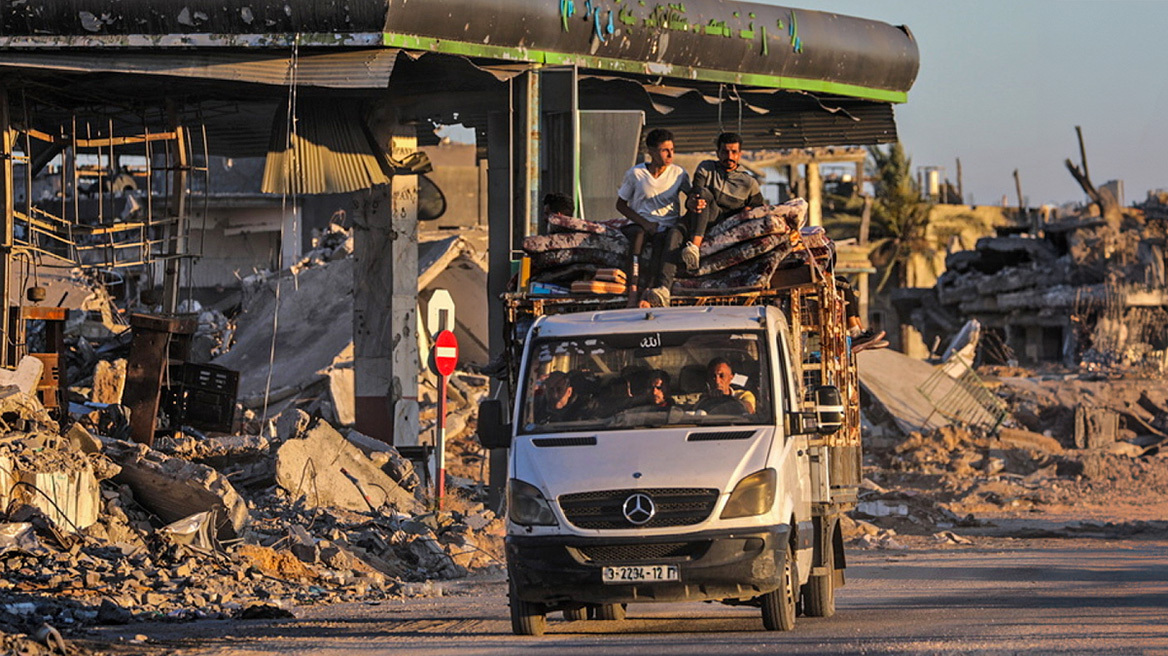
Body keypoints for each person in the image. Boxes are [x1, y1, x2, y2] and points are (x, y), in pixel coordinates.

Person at [641, 132, 766, 307]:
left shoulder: (748, 182)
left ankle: (695, 246)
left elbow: (759, 208)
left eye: (733, 152)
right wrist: (693, 200)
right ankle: (663, 288)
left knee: (703, 197)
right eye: (725, 152)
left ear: (739, 154)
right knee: (674, 234)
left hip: (719, 222)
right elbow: (696, 191)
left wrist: (746, 211)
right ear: (718, 153)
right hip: (695, 217)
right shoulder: (706, 168)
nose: (729, 157)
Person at [615, 128, 691, 307]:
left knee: (661, 243)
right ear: (651, 152)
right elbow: (620, 205)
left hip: (666, 226)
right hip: (640, 224)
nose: (670, 154)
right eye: (665, 150)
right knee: (639, 236)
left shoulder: (679, 174)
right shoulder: (636, 174)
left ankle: (648, 293)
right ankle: (632, 290)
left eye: (672, 149)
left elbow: (691, 199)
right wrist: (645, 223)